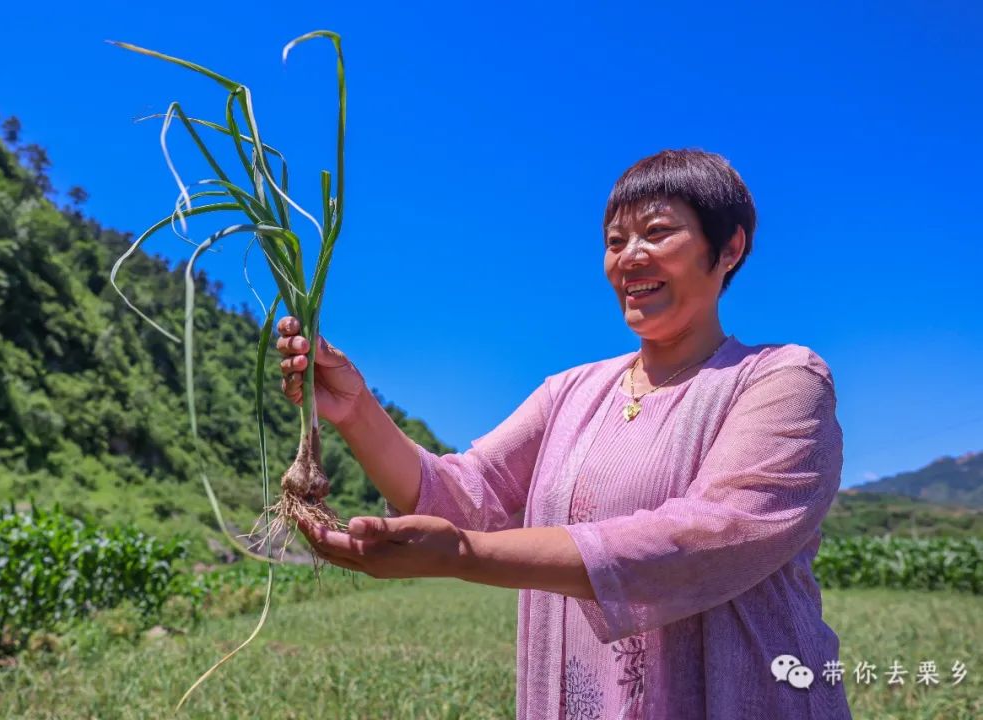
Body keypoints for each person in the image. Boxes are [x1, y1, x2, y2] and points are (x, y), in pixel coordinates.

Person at [275, 149, 852, 719]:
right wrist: (354, 409)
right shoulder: (570, 392)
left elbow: (707, 534)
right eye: (615, 241)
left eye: (656, 232)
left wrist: (463, 554)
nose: (629, 257)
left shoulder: (783, 379)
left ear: (729, 248)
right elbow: (461, 493)